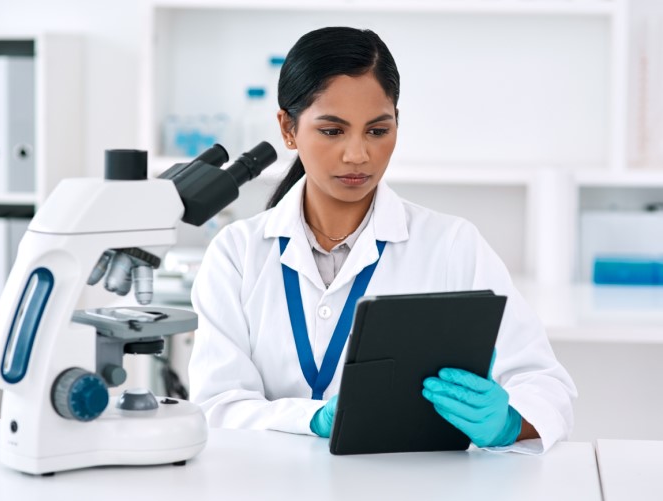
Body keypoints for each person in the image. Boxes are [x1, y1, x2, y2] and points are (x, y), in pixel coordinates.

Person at [188, 26, 576, 454]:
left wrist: (506, 423)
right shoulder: (238, 253)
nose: (357, 155)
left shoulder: (451, 245)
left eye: (377, 130)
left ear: (396, 124)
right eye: (333, 131)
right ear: (288, 129)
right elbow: (216, 406)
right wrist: (310, 419)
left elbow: (545, 385)